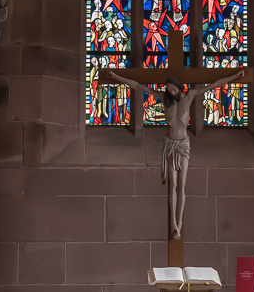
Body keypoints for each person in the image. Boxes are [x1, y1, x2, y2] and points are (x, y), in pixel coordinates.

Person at [105, 68, 245, 239]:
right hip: (170, 144)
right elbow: (138, 86)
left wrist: (235, 76)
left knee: (183, 182)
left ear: (179, 87)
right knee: (173, 182)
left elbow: (214, 85)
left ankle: (180, 222)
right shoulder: (165, 99)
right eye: (169, 89)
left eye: (173, 88)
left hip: (184, 144)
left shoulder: (190, 95)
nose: (171, 91)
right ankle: (173, 224)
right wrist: (116, 77)